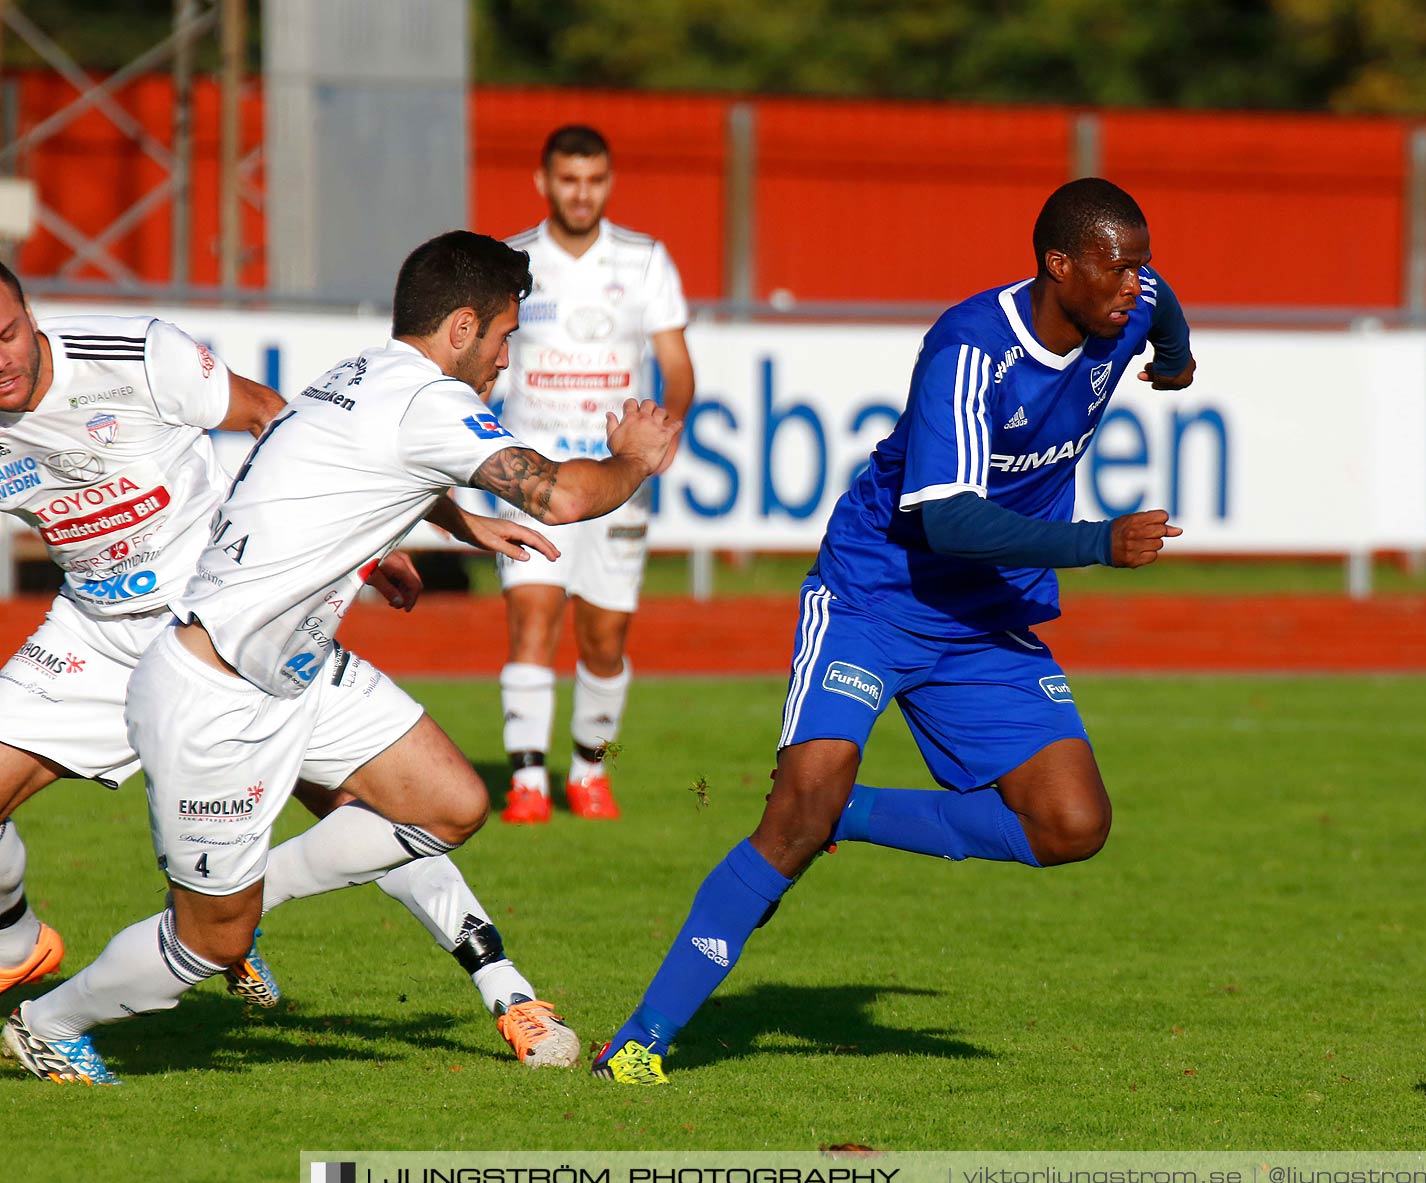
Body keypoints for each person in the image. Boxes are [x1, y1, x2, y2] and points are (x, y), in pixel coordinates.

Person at [2, 231, 680, 1084]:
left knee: (450, 801)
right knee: (215, 940)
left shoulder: (353, 373)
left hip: (286, 663)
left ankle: (269, 899)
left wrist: (428, 522)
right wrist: (636, 458)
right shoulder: (423, 399)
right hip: (206, 683)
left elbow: (317, 452)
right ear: (465, 327)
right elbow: (566, 494)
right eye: (507, 338)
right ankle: (46, 1015)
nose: (509, 359)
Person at [591, 178, 1195, 1085]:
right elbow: (948, 519)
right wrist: (1098, 541)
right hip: (878, 595)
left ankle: (856, 814)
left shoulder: (1128, 302)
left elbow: (1163, 309)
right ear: (1058, 266)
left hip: (984, 612)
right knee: (793, 819)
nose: (1133, 286)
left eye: (1141, 266)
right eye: (1116, 268)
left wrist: (1176, 359)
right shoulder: (971, 349)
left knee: (1073, 824)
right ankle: (640, 1042)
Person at [492, 123, 695, 824]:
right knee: (532, 619)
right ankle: (526, 784)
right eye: (569, 179)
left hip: (614, 479)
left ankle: (589, 771)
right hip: (529, 473)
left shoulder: (643, 260)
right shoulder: (512, 259)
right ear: (544, 182)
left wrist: (663, 432)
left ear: (608, 181)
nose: (583, 193)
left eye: (596, 179)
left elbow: (676, 364)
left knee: (606, 641)